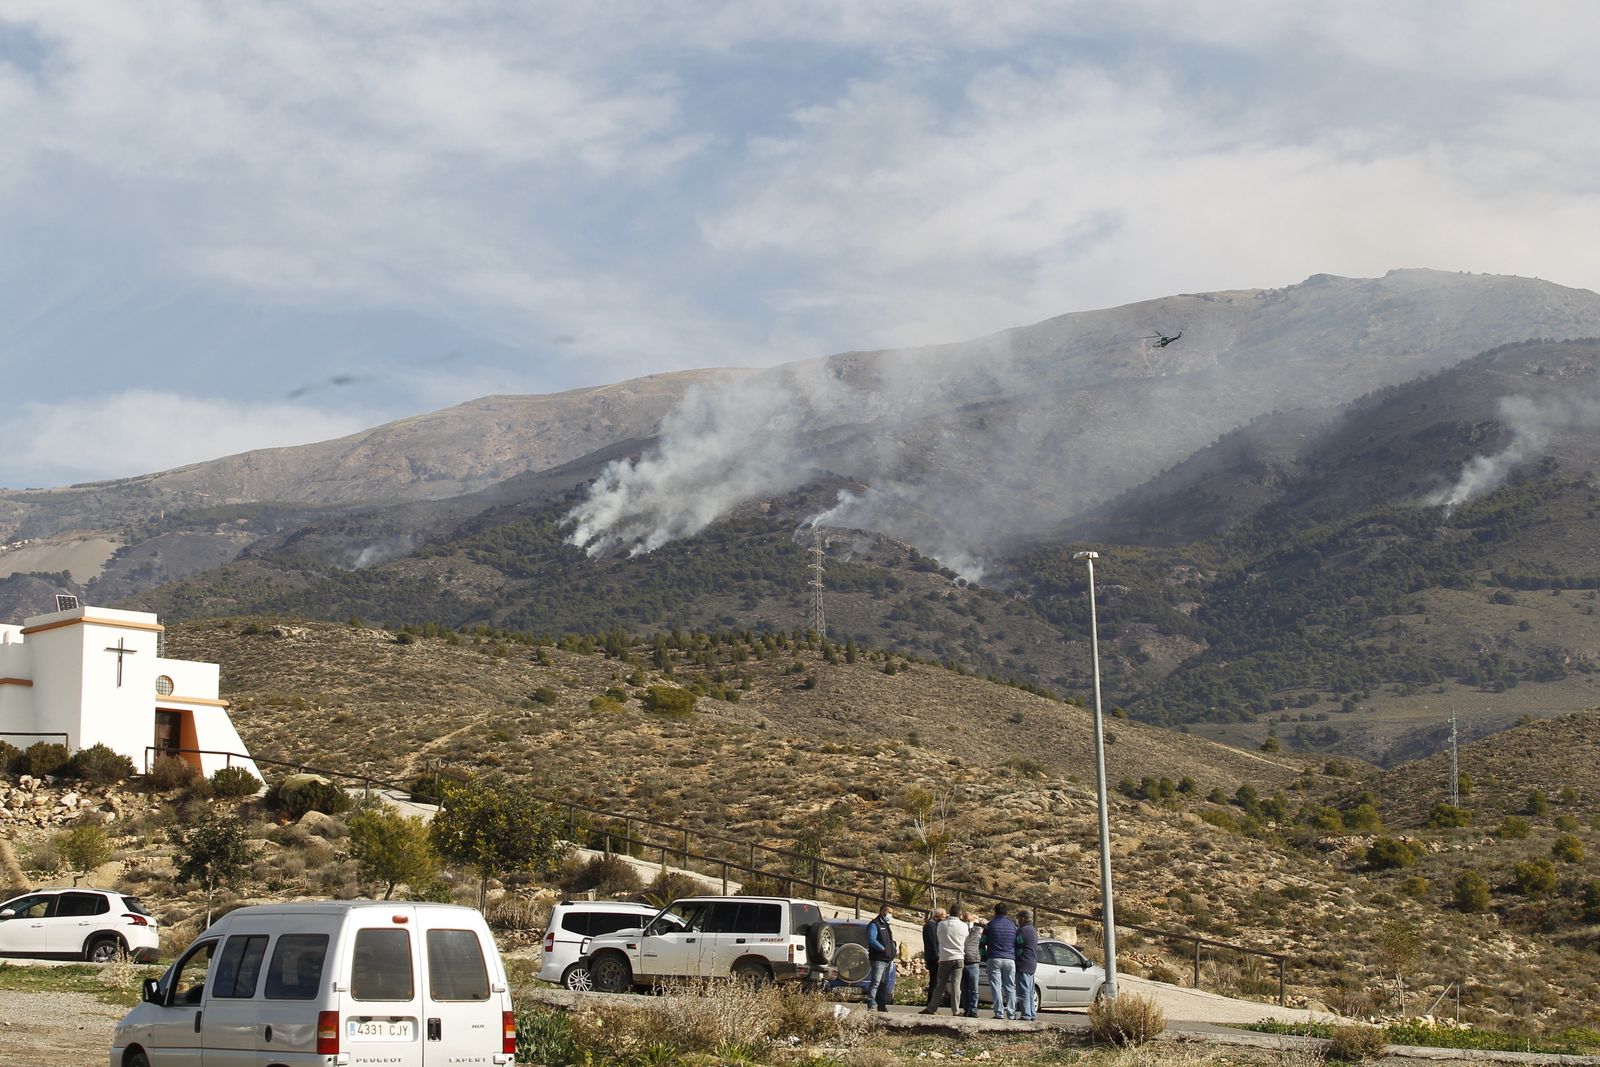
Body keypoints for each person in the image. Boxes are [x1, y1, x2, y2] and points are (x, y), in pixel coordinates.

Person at [980, 903, 1018, 1019]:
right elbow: (1019, 942)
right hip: (1010, 959)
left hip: (994, 958)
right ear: (1007, 913)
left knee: (996, 986)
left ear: (995, 912)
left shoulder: (990, 925)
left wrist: (984, 957)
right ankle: (1011, 1013)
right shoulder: (1013, 926)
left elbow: (982, 944)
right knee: (1010, 987)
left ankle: (999, 1013)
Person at [933, 908, 968, 1017]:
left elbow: (939, 937)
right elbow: (965, 938)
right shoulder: (964, 925)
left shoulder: (942, 925)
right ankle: (956, 1010)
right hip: (959, 957)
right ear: (960, 914)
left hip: (945, 957)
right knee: (956, 985)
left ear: (949, 913)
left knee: (940, 984)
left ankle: (932, 1007)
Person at [865, 904, 896, 1012]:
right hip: (878, 958)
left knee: (884, 983)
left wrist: (892, 950)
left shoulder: (886, 925)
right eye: (889, 912)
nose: (890, 915)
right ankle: (871, 1003)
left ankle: (881, 1005)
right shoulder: (874, 924)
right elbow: (872, 940)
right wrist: (882, 949)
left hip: (887, 959)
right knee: (876, 982)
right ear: (882, 912)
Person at [918, 907, 948, 1013]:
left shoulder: (936, 925)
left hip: (937, 957)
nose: (945, 918)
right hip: (933, 958)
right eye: (943, 916)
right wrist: (937, 957)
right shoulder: (930, 926)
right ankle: (930, 1005)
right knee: (934, 982)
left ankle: (933, 1006)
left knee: (936, 982)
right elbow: (932, 943)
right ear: (937, 916)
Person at [1015, 910, 1039, 1021]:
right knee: (1030, 991)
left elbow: (1019, 948)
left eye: (1019, 918)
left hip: (1023, 963)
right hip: (1032, 963)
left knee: (1023, 990)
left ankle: (1026, 1015)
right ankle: (1032, 1013)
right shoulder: (1034, 930)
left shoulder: (1022, 931)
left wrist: (1016, 957)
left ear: (1023, 919)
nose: (1018, 921)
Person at [959, 910, 983, 1018]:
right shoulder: (960, 930)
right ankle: (966, 1009)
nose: (968, 922)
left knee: (973, 988)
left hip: (973, 962)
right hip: (962, 961)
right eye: (966, 920)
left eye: (970, 920)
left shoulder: (978, 930)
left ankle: (973, 1010)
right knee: (964, 988)